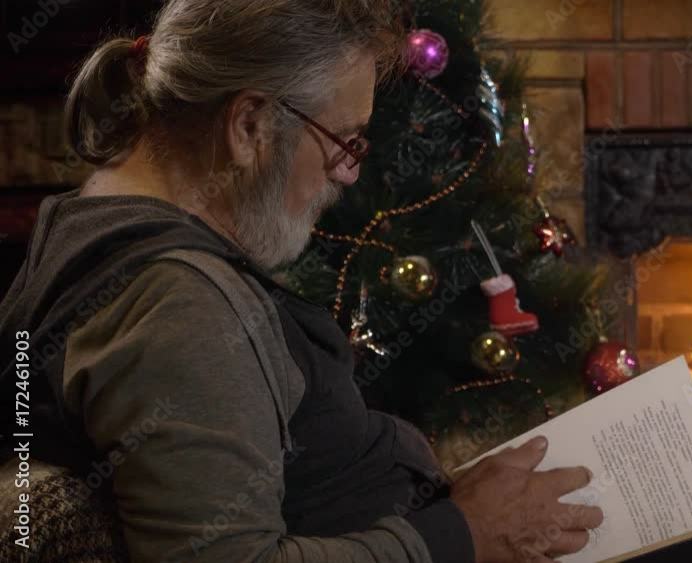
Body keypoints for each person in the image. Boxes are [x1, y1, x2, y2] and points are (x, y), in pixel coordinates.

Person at [0, 1, 603, 562]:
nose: (349, 172)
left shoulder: (82, 221)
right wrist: (466, 533)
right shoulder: (177, 304)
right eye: (344, 139)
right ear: (250, 126)